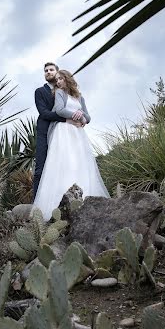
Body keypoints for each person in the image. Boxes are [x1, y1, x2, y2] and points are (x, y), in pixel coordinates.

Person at [34, 69, 109, 220]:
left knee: (79, 163)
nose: (58, 82)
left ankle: (85, 198)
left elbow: (88, 117)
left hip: (78, 133)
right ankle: (59, 204)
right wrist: (74, 115)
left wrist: (82, 117)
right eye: (57, 79)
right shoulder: (59, 93)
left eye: (61, 79)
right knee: (64, 163)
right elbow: (60, 110)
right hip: (63, 132)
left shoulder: (79, 97)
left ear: (68, 79)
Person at [33, 62, 81, 199]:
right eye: (46, 70)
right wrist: (66, 119)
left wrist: (80, 118)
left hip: (65, 133)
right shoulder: (40, 92)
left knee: (65, 165)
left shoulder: (67, 92)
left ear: (58, 72)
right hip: (45, 131)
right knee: (40, 169)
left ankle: (63, 200)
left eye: (51, 70)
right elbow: (44, 113)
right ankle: (37, 203)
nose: (48, 72)